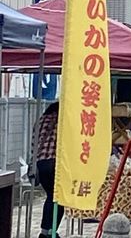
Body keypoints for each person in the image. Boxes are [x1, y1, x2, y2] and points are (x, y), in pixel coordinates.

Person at [35, 102, 62, 238]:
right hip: (55, 163)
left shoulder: (41, 120)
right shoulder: (62, 120)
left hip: (41, 163)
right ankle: (50, 232)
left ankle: (45, 232)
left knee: (51, 196)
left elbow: (35, 143)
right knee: (58, 198)